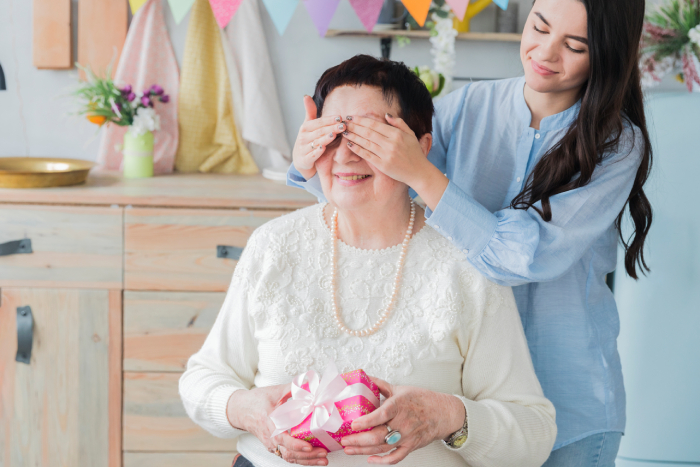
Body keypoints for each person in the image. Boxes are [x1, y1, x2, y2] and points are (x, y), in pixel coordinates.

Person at [287, 0, 653, 465]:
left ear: (607, 53)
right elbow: (375, 198)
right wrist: (310, 163)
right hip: (473, 406)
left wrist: (422, 174)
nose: (546, 52)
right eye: (538, 27)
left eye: (575, 46)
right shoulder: (467, 107)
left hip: (571, 406)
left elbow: (523, 258)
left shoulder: (617, 145)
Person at [180, 55, 557, 467]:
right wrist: (248, 411)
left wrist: (449, 416)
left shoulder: (465, 265)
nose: (345, 156)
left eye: (370, 137)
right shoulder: (274, 245)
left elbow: (533, 434)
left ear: (421, 148)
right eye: (333, 134)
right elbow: (201, 382)